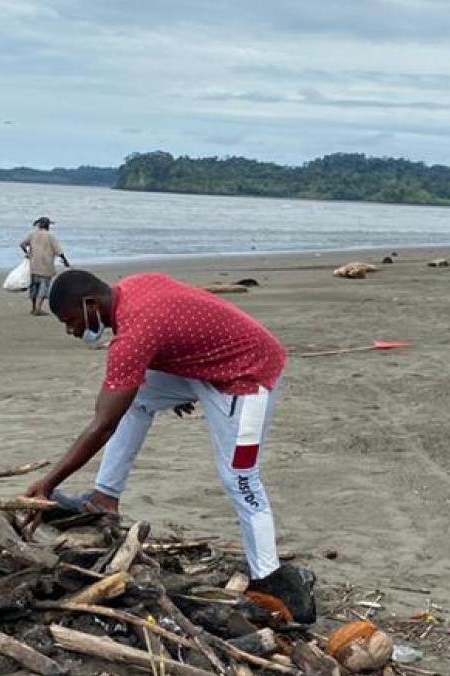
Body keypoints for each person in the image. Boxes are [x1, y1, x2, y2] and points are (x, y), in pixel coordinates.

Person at [20, 269, 317, 621]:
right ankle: (104, 497)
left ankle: (268, 576)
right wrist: (180, 373)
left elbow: (101, 427)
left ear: (90, 303)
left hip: (248, 376)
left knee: (240, 479)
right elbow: (182, 327)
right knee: (139, 399)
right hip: (205, 366)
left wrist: (48, 483)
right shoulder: (132, 287)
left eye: (70, 320)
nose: (72, 330)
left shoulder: (133, 336)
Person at [20, 217, 71, 316]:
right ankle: (38, 309)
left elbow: (22, 244)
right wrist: (65, 261)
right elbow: (59, 251)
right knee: (43, 288)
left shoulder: (32, 234)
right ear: (47, 225)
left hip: (33, 265)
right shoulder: (50, 236)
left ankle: (33, 308)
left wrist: (27, 254)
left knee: (34, 287)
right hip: (46, 266)